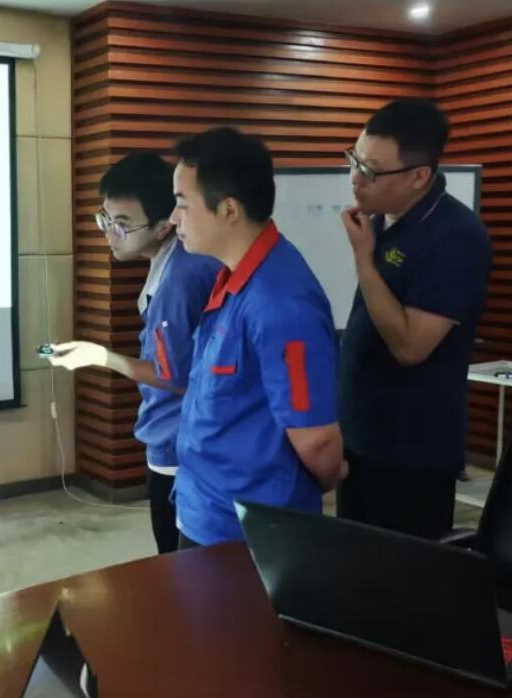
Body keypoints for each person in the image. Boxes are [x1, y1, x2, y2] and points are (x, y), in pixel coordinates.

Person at [168, 126, 346, 549]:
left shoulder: (280, 302)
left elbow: (318, 439)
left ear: (229, 209)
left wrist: (318, 482)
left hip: (249, 532)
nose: (173, 218)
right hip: (207, 509)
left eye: (182, 204)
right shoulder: (234, 278)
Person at [47, 153, 220, 555]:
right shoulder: (174, 261)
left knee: (177, 560)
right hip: (183, 435)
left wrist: (101, 357)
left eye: (122, 224)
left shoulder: (180, 277)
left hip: (180, 441)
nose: (110, 234)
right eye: (105, 220)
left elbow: (173, 376)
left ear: (164, 225)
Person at [336, 98, 491, 539]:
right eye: (354, 159)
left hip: (409, 453)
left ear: (419, 176)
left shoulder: (456, 237)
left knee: (402, 574)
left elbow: (409, 346)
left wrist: (364, 262)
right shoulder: (383, 219)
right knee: (352, 565)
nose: (355, 178)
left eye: (370, 170)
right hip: (361, 438)